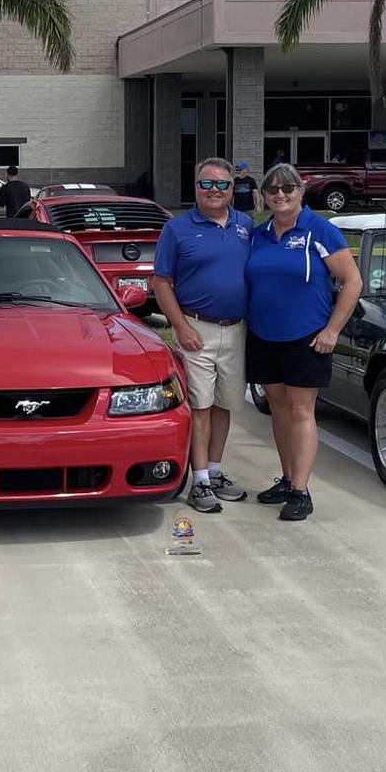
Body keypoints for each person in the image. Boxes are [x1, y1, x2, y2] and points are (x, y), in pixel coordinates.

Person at [245, 162, 362, 522]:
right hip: (264, 335)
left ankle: (301, 490)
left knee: (300, 411)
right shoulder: (259, 234)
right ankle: (287, 479)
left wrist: (332, 331)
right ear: (264, 196)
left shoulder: (320, 230)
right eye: (273, 189)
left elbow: (352, 281)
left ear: (301, 191)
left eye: (288, 188)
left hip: (307, 337)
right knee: (278, 408)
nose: (280, 195)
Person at [151, 157, 253, 513]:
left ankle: (216, 471)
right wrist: (180, 327)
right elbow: (161, 283)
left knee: (224, 405)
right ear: (195, 187)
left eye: (222, 184)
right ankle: (199, 481)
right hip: (196, 331)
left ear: (232, 188)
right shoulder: (176, 229)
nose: (214, 190)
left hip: (236, 330)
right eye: (206, 183)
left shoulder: (245, 225)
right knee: (200, 407)